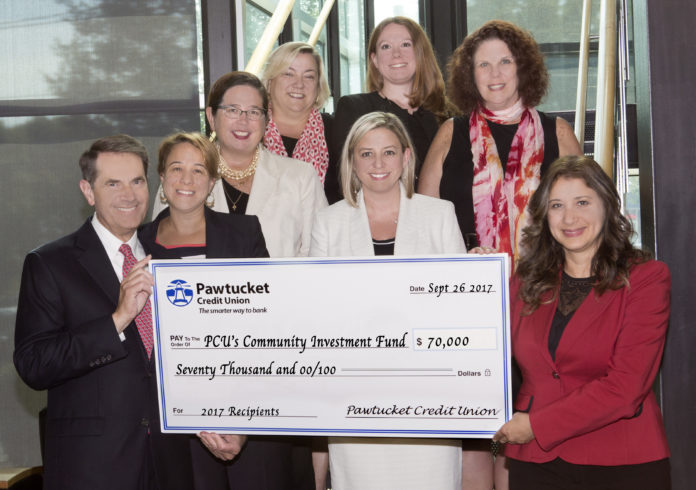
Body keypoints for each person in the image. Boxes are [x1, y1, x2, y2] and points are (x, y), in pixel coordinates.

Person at [494, 155, 671, 490]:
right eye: (557, 205)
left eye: (582, 202)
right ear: (544, 215)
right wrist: (477, 279)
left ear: (606, 205)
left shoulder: (646, 279)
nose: (569, 217)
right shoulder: (524, 281)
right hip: (535, 464)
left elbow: (626, 388)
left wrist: (536, 425)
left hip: (622, 461)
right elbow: (480, 351)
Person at [310, 111, 465, 489]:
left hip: (428, 395)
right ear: (351, 161)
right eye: (366, 154)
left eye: (389, 152)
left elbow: (461, 307)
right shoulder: (328, 222)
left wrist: (476, 273)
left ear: (407, 158)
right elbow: (316, 310)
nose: (378, 164)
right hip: (354, 396)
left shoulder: (440, 215)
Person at [13, 135, 178, 489]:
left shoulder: (169, 263)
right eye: (112, 183)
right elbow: (34, 364)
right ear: (88, 192)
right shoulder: (50, 263)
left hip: (170, 462)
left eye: (136, 181)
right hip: (92, 469)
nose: (129, 195)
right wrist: (117, 320)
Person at [140, 131, 283, 489]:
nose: (186, 180)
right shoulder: (138, 244)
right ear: (162, 177)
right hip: (173, 421)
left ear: (213, 181)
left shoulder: (244, 232)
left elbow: (267, 326)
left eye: (199, 171)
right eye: (176, 169)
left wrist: (241, 419)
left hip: (247, 414)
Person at [419, 19, 582, 256]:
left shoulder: (558, 132)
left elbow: (584, 210)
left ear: (522, 69)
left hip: (546, 279)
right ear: (470, 75)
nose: (495, 73)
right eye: (483, 64)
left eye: (505, 61)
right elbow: (425, 221)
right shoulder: (449, 133)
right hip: (468, 280)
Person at [152, 71, 327, 258]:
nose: (243, 121)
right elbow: (159, 251)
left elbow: (319, 253)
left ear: (266, 120)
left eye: (253, 112)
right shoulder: (181, 180)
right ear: (211, 117)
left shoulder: (300, 177)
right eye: (232, 110)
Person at [327, 16, 455, 203]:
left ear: (421, 54)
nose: (396, 54)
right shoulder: (354, 108)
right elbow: (346, 180)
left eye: (405, 44)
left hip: (441, 224)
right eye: (386, 47)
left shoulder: (449, 116)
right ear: (374, 60)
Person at [261, 41, 333, 185]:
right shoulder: (250, 129)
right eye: (288, 74)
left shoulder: (338, 131)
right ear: (269, 83)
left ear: (318, 86)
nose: (299, 84)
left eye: (309, 76)